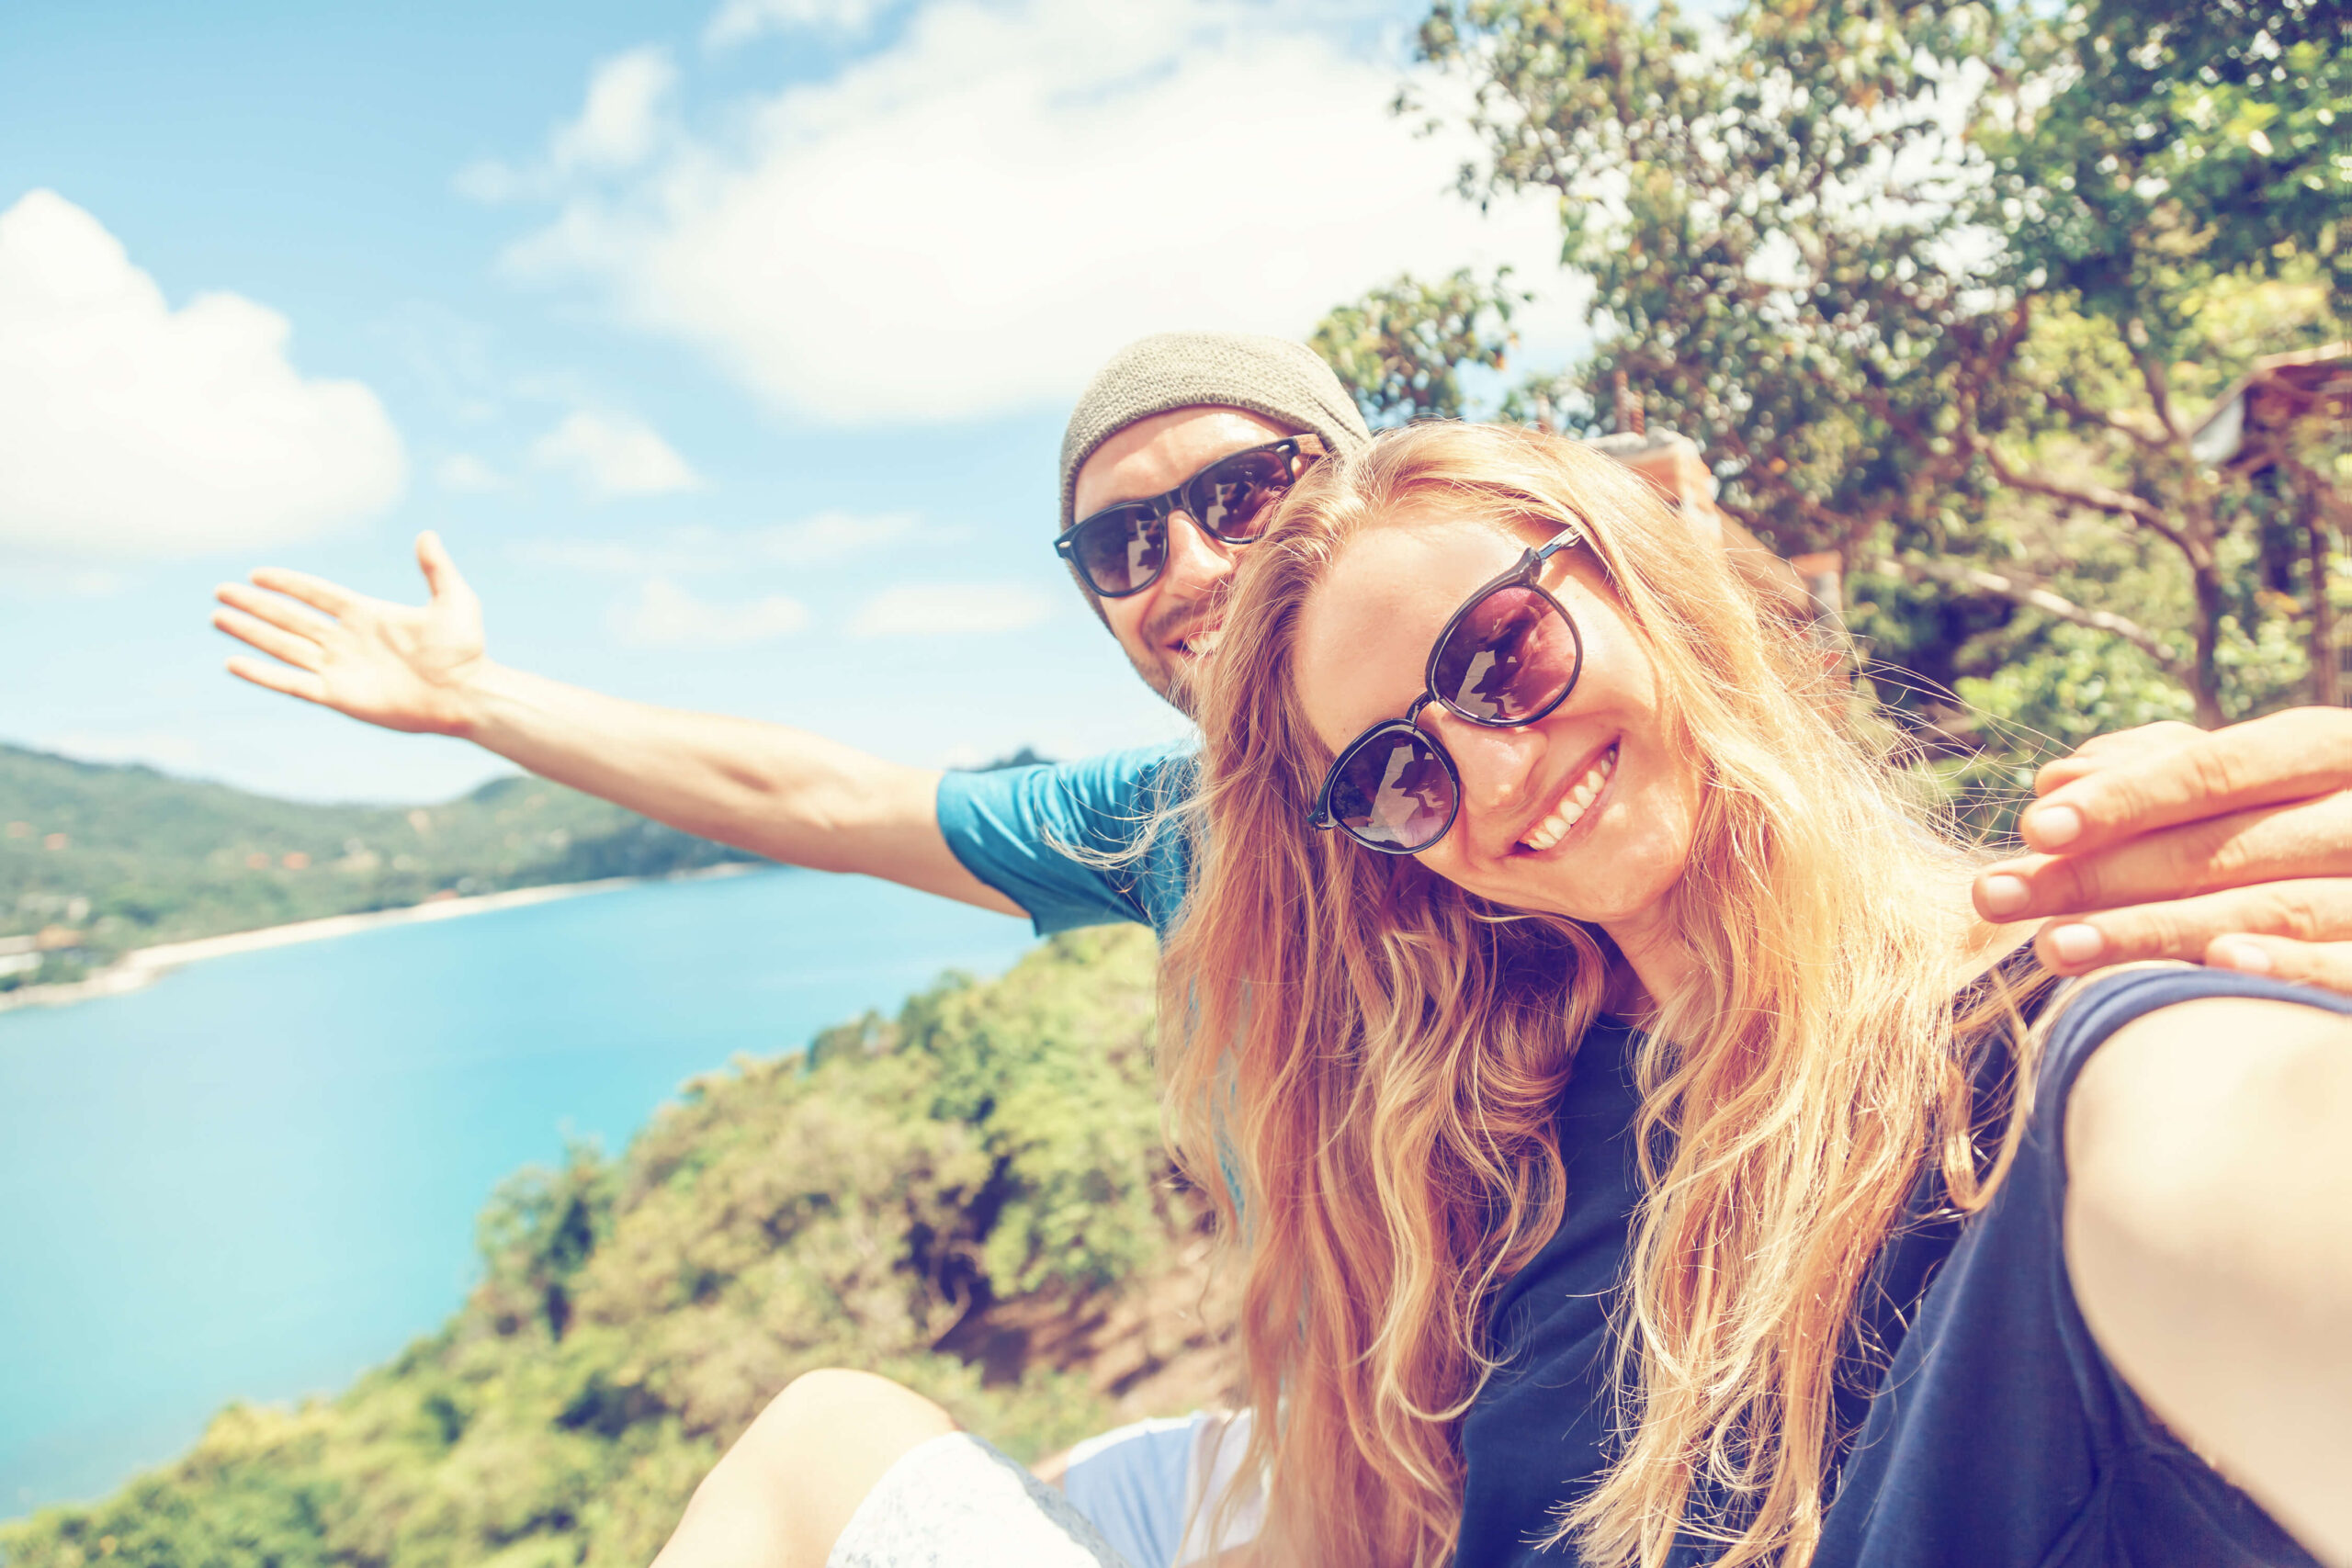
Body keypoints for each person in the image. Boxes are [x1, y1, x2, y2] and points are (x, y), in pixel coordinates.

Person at [216, 341, 2352, 1565]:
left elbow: (2182, 1147)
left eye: (1240, 491)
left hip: (1479, 1435)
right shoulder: (1230, 854)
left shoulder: (2029, 1051)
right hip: (1362, 1426)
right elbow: (811, 796)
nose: (1184, 562)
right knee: (826, 1439)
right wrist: (483, 707)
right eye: (1116, 542)